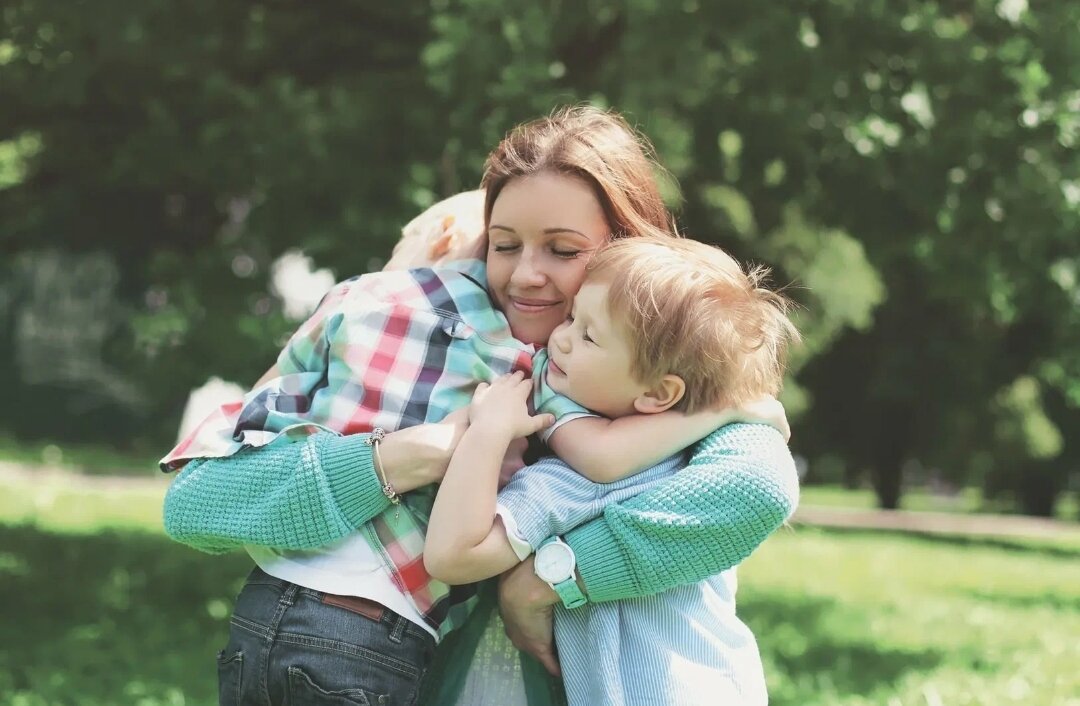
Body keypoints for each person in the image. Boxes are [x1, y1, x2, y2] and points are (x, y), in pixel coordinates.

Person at [160, 106, 797, 706]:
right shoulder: (444, 343)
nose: (524, 276)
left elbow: (754, 490)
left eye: (566, 250)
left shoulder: (686, 373)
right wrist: (410, 455)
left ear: (630, 253)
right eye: (502, 245)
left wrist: (544, 581)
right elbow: (197, 501)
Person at [425, 236, 799, 705]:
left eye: (587, 335)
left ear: (660, 394)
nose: (558, 339)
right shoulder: (700, 463)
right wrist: (725, 410)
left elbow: (452, 556)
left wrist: (488, 431)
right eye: (571, 318)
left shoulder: (579, 484)